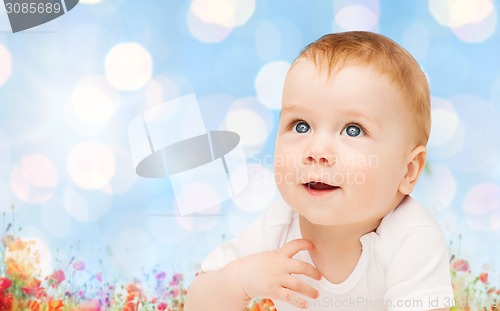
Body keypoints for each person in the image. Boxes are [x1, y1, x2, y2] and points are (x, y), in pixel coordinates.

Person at [185, 31, 454, 311]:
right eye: (301, 125)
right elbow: (196, 304)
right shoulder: (277, 227)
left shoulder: (411, 238)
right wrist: (240, 280)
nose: (317, 150)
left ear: (408, 171)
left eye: (353, 130)